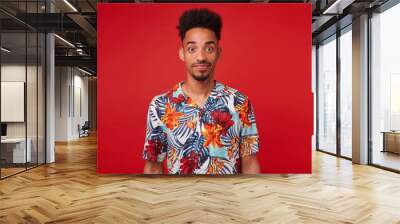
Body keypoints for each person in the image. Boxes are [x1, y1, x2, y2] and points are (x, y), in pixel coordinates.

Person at [143, 8, 260, 174]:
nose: (201, 57)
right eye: (192, 49)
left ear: (218, 53)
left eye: (209, 49)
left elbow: (250, 163)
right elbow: (153, 168)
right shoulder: (160, 105)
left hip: (227, 199)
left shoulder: (240, 102)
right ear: (182, 53)